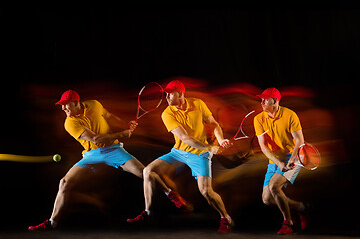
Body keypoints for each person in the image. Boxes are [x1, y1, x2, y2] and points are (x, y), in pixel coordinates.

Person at [28, 89, 179, 231]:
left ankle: (170, 193)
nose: (63, 109)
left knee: (145, 172)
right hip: (91, 156)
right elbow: (95, 138)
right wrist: (121, 134)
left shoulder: (94, 104)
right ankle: (52, 222)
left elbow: (108, 116)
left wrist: (124, 124)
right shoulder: (69, 123)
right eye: (61, 105)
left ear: (76, 103)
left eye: (65, 105)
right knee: (64, 182)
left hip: (113, 150)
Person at [127, 80, 233, 234]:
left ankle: (226, 218)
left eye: (170, 94)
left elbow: (214, 124)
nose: (167, 97)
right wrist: (211, 147)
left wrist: (221, 140)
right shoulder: (167, 113)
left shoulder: (198, 104)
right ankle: (150, 211)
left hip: (199, 155)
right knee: (148, 171)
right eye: (166, 94)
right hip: (179, 152)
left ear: (181, 94)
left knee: (206, 191)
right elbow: (185, 138)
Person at [253, 87, 308, 235]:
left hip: (294, 156)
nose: (262, 102)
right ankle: (300, 207)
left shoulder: (290, 115)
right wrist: (278, 163)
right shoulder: (258, 119)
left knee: (274, 187)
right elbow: (264, 147)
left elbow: (299, 141)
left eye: (265, 100)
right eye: (261, 99)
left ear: (275, 101)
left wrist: (290, 160)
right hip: (275, 159)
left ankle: (288, 224)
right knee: (266, 199)